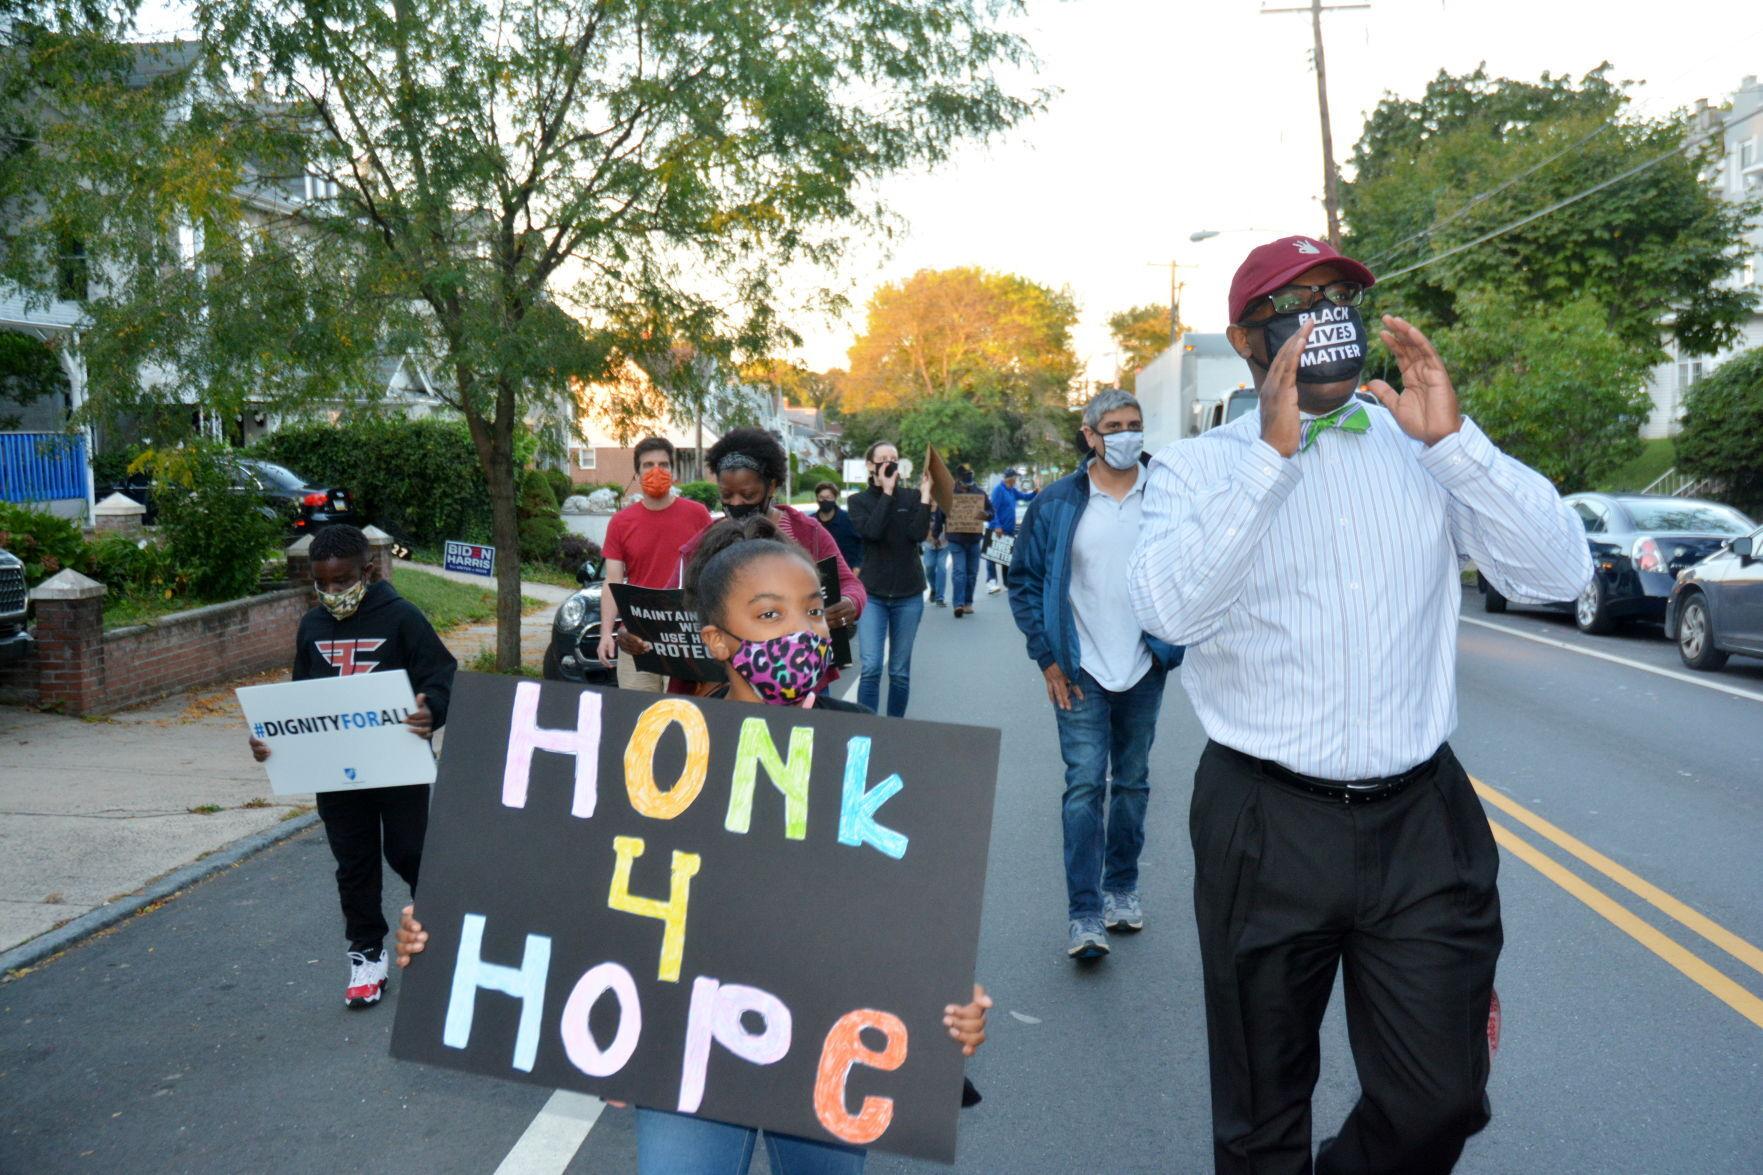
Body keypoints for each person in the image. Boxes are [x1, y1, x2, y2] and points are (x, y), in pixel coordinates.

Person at [1127, 235, 1591, 1175]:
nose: (1322, 319)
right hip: (1263, 817)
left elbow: (1557, 572)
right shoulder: (1196, 470)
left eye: (1338, 299)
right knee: (1260, 1116)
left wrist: (1455, 446)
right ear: (1248, 340)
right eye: (1298, 304)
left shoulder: (1423, 446)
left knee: (1440, 1101)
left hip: (1422, 819)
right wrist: (1269, 458)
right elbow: (1168, 612)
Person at [396, 514, 991, 1175]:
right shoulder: (656, 752)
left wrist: (948, 1001)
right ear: (717, 638)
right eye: (769, 614)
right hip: (684, 1053)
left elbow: (901, 906)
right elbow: (582, 885)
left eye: (813, 611)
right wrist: (443, 936)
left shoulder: (870, 750)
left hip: (826, 1048)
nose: (801, 631)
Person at [247, 523, 456, 1010]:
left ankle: (439, 938)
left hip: (397, 763)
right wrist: (269, 740)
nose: (333, 593)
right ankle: (366, 954)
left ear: (370, 570)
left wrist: (432, 712)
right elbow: (300, 701)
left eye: (343, 582)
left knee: (411, 852)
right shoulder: (312, 627)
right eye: (323, 584)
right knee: (354, 864)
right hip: (336, 771)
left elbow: (442, 676)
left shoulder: (402, 618)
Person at [1008, 389, 1183, 961]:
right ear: (1090, 434)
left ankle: (1122, 891)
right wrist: (1048, 658)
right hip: (1080, 671)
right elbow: (1025, 581)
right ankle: (1084, 915)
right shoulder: (1058, 502)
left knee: (1132, 784)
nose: (1126, 435)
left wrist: (1172, 641)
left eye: (1135, 424)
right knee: (1085, 786)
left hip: (1144, 666)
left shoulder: (1169, 493)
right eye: (1113, 426)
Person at [678, 427, 865, 643]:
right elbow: (672, 602)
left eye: (748, 494)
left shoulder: (807, 532)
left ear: (771, 486)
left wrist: (849, 603)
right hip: (726, 673)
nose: (736, 503)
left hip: (798, 664)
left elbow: (851, 584)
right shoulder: (703, 543)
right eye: (726, 495)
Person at [597, 436, 713, 690]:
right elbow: (613, 581)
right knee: (639, 718)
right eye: (648, 465)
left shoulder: (698, 514)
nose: (656, 471)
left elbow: (713, 571)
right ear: (636, 475)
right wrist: (607, 633)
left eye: (663, 464)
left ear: (673, 472)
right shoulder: (621, 522)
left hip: (685, 635)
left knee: (686, 715)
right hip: (637, 637)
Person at [847, 440, 934, 716]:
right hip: (873, 595)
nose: (889, 463)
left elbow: (918, 535)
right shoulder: (857, 501)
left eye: (894, 458)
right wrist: (886, 493)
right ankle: (867, 726)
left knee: (899, 672)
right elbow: (871, 532)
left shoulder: (909, 497)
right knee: (871, 667)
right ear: (870, 465)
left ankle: (894, 729)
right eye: (883, 458)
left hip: (908, 594)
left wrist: (924, 497)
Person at [946, 465, 991, 617]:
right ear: (959, 479)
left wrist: (986, 515)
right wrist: (936, 531)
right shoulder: (950, 494)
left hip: (973, 540)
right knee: (959, 571)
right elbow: (941, 512)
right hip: (956, 539)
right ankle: (958, 604)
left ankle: (967, 602)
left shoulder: (980, 493)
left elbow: (992, 511)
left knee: (972, 573)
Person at [985, 468, 1036, 593]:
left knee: (1006, 558)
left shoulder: (1012, 490)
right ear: (1010, 478)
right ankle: (991, 583)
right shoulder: (999, 490)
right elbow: (992, 509)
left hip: (1009, 530)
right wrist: (996, 525)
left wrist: (1035, 492)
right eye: (1015, 478)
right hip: (997, 529)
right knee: (992, 557)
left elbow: (1024, 497)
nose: (1017, 480)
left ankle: (1007, 583)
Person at [813, 480, 864, 572]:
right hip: (819, 572)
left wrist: (858, 566)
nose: (824, 500)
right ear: (817, 499)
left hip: (847, 572)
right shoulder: (811, 522)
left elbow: (863, 543)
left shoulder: (849, 519)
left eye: (828, 497)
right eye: (821, 497)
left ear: (835, 498)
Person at [922, 503, 950, 607]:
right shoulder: (924, 505)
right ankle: (934, 588)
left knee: (942, 568)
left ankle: (940, 597)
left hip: (944, 543)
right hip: (929, 543)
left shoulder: (944, 504)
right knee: (929, 566)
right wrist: (932, 538)